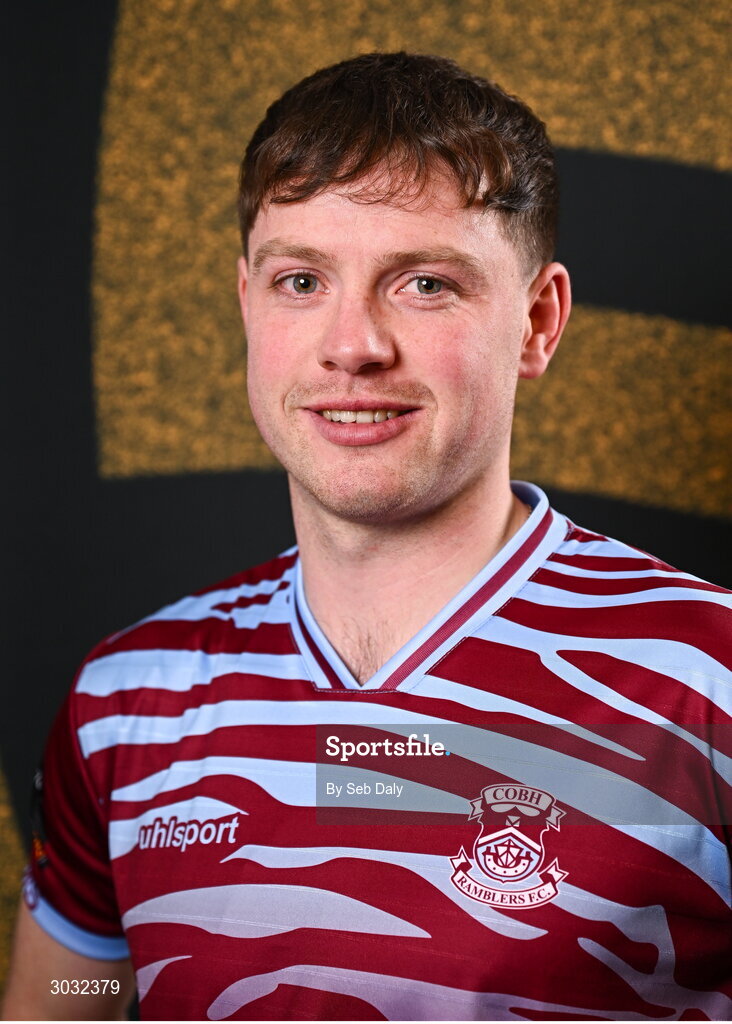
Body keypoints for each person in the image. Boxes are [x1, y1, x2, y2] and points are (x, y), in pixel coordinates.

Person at [3, 51, 730, 1022]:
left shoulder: (706, 675)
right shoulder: (128, 705)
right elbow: (72, 999)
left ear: (539, 322)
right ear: (247, 303)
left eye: (423, 284)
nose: (353, 344)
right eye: (301, 279)